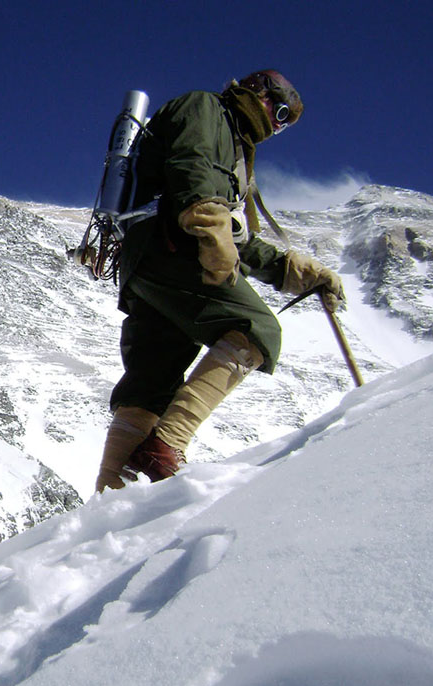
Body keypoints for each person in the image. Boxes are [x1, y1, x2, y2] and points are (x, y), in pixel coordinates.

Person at [95, 70, 344, 492]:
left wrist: (294, 271)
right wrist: (209, 226)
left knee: (149, 386)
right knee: (256, 328)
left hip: (149, 264)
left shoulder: (235, 147)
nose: (277, 127)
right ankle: (167, 446)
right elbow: (191, 167)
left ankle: (107, 502)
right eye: (280, 113)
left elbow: (237, 240)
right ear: (258, 93)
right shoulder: (207, 109)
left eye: (286, 125)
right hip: (173, 248)